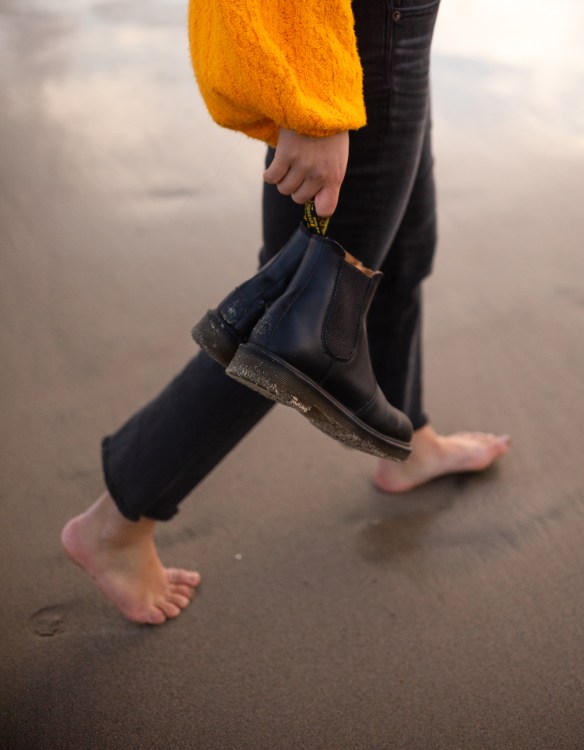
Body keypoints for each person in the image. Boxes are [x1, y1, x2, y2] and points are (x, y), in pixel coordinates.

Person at [61, 0, 510, 625]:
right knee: (291, 323)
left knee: (401, 251)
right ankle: (115, 524)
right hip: (351, 36)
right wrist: (312, 108)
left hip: (397, 27)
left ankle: (413, 446)